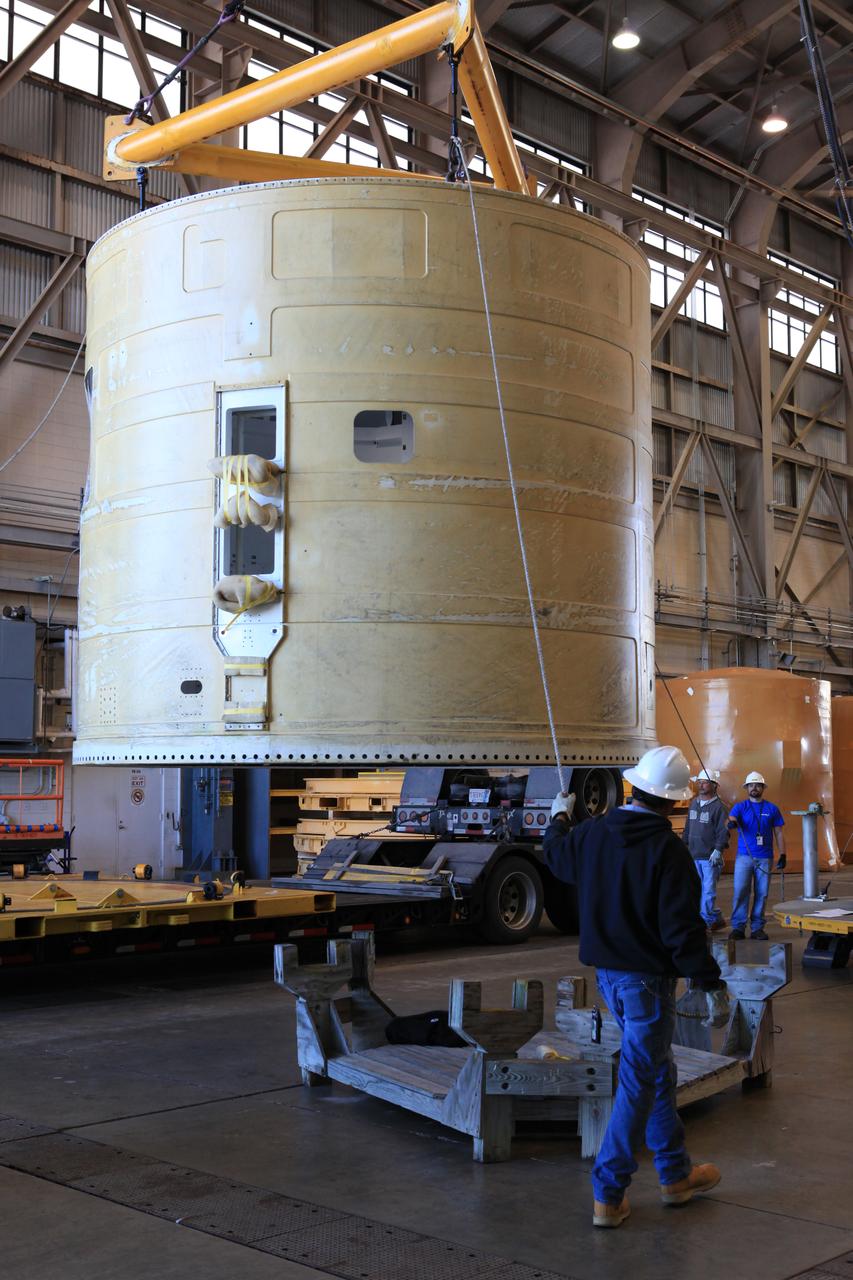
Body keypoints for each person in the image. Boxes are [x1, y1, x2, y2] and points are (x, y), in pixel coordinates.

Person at [543, 746, 728, 1229]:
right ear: (675, 801)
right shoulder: (669, 851)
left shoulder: (592, 832)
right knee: (640, 1079)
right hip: (647, 982)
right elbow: (682, 931)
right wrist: (710, 981)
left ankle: (675, 1175)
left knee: (656, 1071)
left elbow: (557, 856)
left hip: (608, 976)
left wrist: (559, 817)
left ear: (634, 786)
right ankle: (608, 1193)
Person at [727, 771, 786, 941]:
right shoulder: (741, 807)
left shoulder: (772, 808)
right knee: (741, 892)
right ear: (747, 788)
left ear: (762, 788)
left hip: (765, 858)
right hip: (744, 857)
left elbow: (779, 833)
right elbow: (731, 818)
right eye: (751, 785)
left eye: (758, 785)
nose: (754, 788)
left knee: (762, 893)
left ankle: (757, 928)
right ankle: (738, 928)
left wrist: (783, 854)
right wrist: (731, 823)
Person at [682, 769, 729, 932]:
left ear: (714, 785)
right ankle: (714, 918)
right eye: (699, 782)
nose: (701, 785)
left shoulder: (720, 807)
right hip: (693, 855)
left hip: (710, 858)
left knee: (708, 891)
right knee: (696, 890)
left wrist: (718, 850)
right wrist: (684, 846)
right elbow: (688, 827)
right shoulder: (694, 803)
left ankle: (706, 922)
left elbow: (723, 831)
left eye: (705, 782)